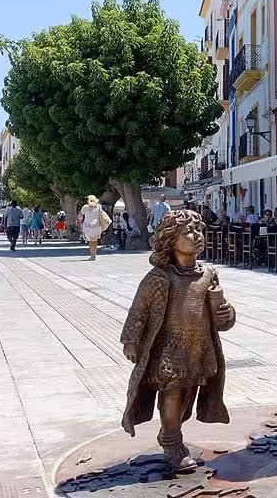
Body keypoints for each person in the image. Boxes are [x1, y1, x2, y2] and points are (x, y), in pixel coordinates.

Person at [120, 210, 236, 471]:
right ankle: (172, 443)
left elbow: (221, 318)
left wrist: (227, 312)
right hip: (169, 350)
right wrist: (131, 340)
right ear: (171, 240)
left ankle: (170, 433)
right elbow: (139, 309)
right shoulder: (159, 278)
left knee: (187, 397)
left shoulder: (208, 274)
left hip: (199, 347)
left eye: (199, 230)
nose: (197, 236)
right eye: (189, 232)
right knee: (172, 393)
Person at [78, 195, 111, 261]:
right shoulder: (98, 206)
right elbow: (102, 214)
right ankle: (94, 255)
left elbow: (80, 216)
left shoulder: (85, 207)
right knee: (95, 241)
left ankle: (92, 255)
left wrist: (80, 221)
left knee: (90, 241)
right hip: (96, 226)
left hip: (88, 226)